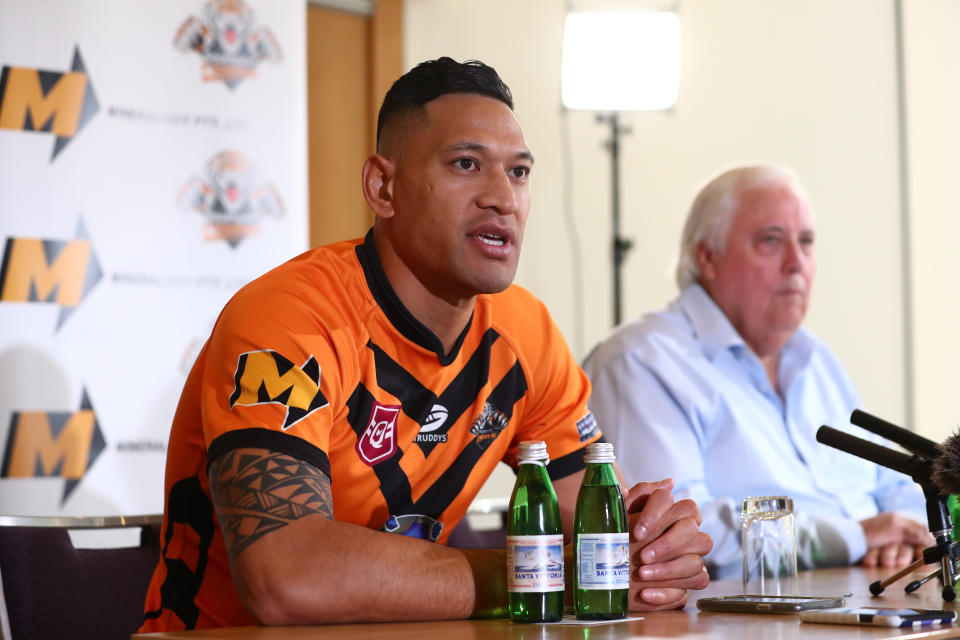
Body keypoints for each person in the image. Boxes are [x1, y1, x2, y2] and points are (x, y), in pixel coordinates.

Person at [140, 57, 711, 631]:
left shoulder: (527, 333)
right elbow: (286, 578)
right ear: (382, 187)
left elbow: (592, 537)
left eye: (518, 173)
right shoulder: (289, 320)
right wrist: (537, 574)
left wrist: (650, 554)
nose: (503, 199)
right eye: (467, 164)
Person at [582, 165, 930, 580]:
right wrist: (855, 536)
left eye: (806, 242)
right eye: (771, 240)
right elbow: (676, 536)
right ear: (707, 257)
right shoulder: (640, 360)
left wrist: (903, 534)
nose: (796, 263)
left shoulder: (816, 357)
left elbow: (899, 486)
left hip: (875, 589)